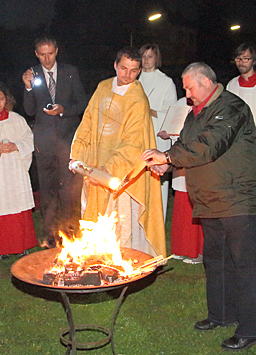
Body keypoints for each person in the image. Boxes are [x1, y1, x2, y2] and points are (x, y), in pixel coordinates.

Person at [142, 62, 256, 351]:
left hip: (239, 198)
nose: (186, 94)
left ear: (206, 81)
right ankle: (222, 314)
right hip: (212, 199)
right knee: (216, 260)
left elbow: (210, 145)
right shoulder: (196, 113)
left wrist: (167, 157)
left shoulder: (231, 107)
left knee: (244, 264)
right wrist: (168, 167)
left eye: (189, 87)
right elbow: (187, 147)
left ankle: (253, 328)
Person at [70, 47, 166, 257]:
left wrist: (108, 170)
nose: (127, 75)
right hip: (95, 163)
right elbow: (87, 121)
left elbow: (133, 144)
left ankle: (120, 262)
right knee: (94, 213)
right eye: (123, 68)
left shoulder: (137, 100)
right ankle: (93, 257)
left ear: (139, 71)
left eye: (133, 70)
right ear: (115, 65)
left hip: (121, 172)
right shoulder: (103, 87)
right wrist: (76, 154)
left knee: (119, 220)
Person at [22, 36, 87, 247]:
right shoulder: (32, 74)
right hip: (44, 143)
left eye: (50, 53)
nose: (47, 58)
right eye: (42, 54)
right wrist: (29, 88)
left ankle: (71, 234)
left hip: (67, 140)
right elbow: (30, 110)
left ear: (57, 51)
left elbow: (82, 104)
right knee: (48, 190)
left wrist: (63, 110)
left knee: (68, 189)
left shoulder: (70, 72)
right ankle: (50, 236)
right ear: (36, 54)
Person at [0, 82, 37, 258]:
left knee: (17, 204)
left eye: (1, 99)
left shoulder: (16, 119)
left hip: (14, 169)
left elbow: (29, 138)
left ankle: (21, 245)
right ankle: (1, 248)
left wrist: (16, 145)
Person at [158, 98, 204, 264]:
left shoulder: (207, 106)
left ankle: (198, 251)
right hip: (180, 157)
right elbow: (170, 124)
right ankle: (182, 248)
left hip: (196, 160)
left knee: (196, 204)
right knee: (182, 205)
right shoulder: (180, 104)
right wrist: (167, 133)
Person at [138, 43, 178, 220]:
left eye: (150, 56)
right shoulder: (134, 79)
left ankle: (157, 221)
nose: (146, 60)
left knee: (157, 178)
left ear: (156, 58)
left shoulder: (165, 82)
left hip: (157, 134)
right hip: (137, 135)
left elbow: (172, 113)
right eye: (143, 56)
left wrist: (150, 111)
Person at [226, 42, 256, 137]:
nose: (241, 62)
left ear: (254, 60)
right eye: (238, 58)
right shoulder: (232, 84)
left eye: (246, 59)